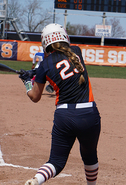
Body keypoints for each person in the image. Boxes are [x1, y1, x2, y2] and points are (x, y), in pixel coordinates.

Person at [19, 23, 101, 185]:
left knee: (56, 161)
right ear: (64, 37)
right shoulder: (76, 51)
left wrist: (28, 81)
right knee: (89, 155)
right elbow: (62, 64)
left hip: (65, 117)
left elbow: (35, 96)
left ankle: (37, 180)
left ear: (45, 43)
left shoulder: (44, 66)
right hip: (89, 115)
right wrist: (35, 73)